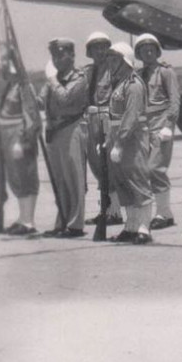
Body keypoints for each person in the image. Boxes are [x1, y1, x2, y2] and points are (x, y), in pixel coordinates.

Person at [104, 41, 154, 244]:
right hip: (119, 138)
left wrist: (119, 143)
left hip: (132, 139)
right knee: (124, 183)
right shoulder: (120, 83)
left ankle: (144, 228)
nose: (110, 62)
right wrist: (110, 141)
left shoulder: (133, 85)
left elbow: (131, 117)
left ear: (125, 61)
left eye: (114, 58)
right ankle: (131, 226)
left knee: (138, 181)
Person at [40, 37, 90, 238]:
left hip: (72, 128)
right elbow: (40, 101)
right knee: (59, 179)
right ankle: (61, 221)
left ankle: (75, 224)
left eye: (61, 54)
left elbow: (66, 97)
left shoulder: (79, 77)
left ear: (71, 55)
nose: (58, 59)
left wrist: (52, 80)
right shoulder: (53, 79)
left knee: (73, 178)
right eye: (54, 55)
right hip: (54, 130)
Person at [134, 34, 181, 230]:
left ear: (157, 51)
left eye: (151, 48)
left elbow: (175, 100)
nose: (148, 51)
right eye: (144, 49)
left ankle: (164, 213)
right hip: (144, 126)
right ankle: (156, 213)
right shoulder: (137, 75)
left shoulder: (165, 72)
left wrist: (168, 126)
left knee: (156, 169)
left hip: (161, 123)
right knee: (144, 171)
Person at [0, 51, 42, 236]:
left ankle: (29, 222)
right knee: (16, 179)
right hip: (9, 138)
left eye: (1, 66)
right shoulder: (11, 86)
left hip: (19, 139)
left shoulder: (23, 86)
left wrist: (21, 141)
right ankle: (23, 219)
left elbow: (31, 117)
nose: (0, 71)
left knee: (26, 178)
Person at [83, 31, 123, 226]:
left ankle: (115, 211)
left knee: (110, 166)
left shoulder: (114, 71)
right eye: (95, 48)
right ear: (89, 52)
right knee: (97, 167)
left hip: (108, 117)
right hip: (91, 118)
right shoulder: (87, 72)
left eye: (103, 47)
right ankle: (105, 210)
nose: (99, 51)